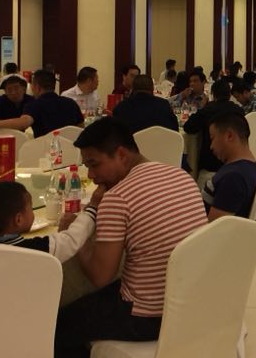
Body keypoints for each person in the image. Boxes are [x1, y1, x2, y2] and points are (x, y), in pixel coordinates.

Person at [54, 118, 207, 357]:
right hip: (190, 303)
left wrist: (75, 235)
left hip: (149, 314)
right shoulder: (181, 176)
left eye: (95, 164)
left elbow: (101, 276)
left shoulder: (118, 198)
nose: (92, 176)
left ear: (122, 155)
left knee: (58, 326)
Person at [0, 180, 104, 263]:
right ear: (18, 219)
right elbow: (71, 240)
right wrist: (92, 208)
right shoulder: (36, 249)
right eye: (30, 207)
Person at [0, 69, 84, 138]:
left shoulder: (35, 105)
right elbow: (80, 127)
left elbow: (23, 123)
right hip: (71, 153)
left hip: (44, 152)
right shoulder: (71, 103)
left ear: (37, 87)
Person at [202, 111, 256, 220]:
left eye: (212, 138)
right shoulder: (249, 167)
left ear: (229, 135)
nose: (211, 146)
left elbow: (215, 226)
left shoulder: (233, 178)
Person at [183, 79, 244, 180]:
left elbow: (188, 127)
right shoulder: (239, 110)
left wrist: (202, 107)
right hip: (234, 161)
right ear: (229, 95)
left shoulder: (208, 110)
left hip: (211, 164)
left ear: (213, 95)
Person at [113, 75, 179, 134]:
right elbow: (175, 129)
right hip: (158, 143)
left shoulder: (121, 107)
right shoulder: (163, 105)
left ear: (133, 89)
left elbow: (116, 133)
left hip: (130, 143)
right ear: (152, 88)